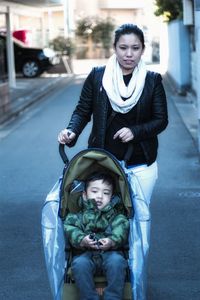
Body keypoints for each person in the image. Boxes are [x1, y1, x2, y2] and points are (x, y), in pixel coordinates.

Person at [58, 23, 168, 300]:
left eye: (135, 48)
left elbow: (161, 120)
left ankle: (135, 282)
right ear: (114, 48)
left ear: (143, 49)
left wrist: (136, 131)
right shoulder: (98, 77)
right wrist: (71, 132)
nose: (129, 54)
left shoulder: (152, 80)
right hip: (103, 166)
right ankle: (103, 275)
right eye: (123, 48)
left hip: (140, 163)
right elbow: (83, 111)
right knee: (99, 213)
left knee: (138, 222)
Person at [63, 171, 130, 300]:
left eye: (106, 193)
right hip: (85, 254)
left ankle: (113, 297)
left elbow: (122, 228)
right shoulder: (77, 216)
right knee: (79, 264)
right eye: (94, 191)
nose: (100, 196)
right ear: (84, 195)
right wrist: (82, 240)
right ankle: (89, 297)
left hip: (110, 253)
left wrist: (112, 241)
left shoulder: (117, 216)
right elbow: (70, 229)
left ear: (111, 197)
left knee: (118, 262)